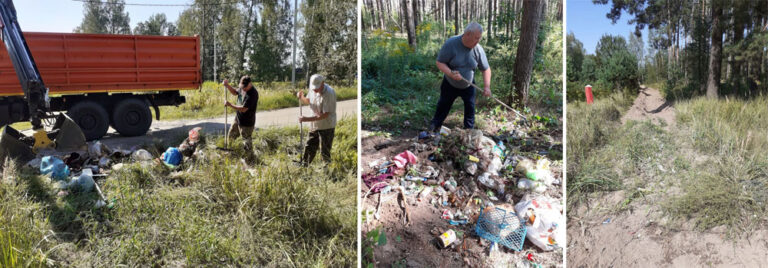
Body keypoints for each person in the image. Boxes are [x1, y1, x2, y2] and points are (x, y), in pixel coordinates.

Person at [429, 22, 492, 132]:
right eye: (476, 38)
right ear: (467, 34)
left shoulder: (478, 49)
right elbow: (440, 62)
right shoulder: (451, 44)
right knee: (444, 104)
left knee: (470, 107)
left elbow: (486, 69)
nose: (478, 41)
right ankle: (435, 124)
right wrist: (450, 73)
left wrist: (487, 87)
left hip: (468, 84)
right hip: (450, 83)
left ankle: (469, 130)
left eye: (479, 38)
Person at [296, 74, 337, 166]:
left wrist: (306, 119)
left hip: (326, 125)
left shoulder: (329, 93)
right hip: (314, 124)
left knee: (325, 150)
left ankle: (326, 169)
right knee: (310, 145)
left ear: (323, 83)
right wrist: (301, 97)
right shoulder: (313, 89)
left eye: (317, 87)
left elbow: (325, 115)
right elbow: (308, 101)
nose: (315, 90)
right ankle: (305, 165)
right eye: (314, 87)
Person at [223, 76, 259, 160]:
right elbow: (235, 92)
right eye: (242, 87)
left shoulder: (253, 94)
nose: (243, 89)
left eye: (244, 87)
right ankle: (230, 153)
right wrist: (227, 85)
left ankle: (249, 159)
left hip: (247, 123)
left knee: (246, 142)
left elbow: (243, 109)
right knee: (231, 136)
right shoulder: (243, 88)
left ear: (250, 84)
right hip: (238, 119)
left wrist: (230, 105)